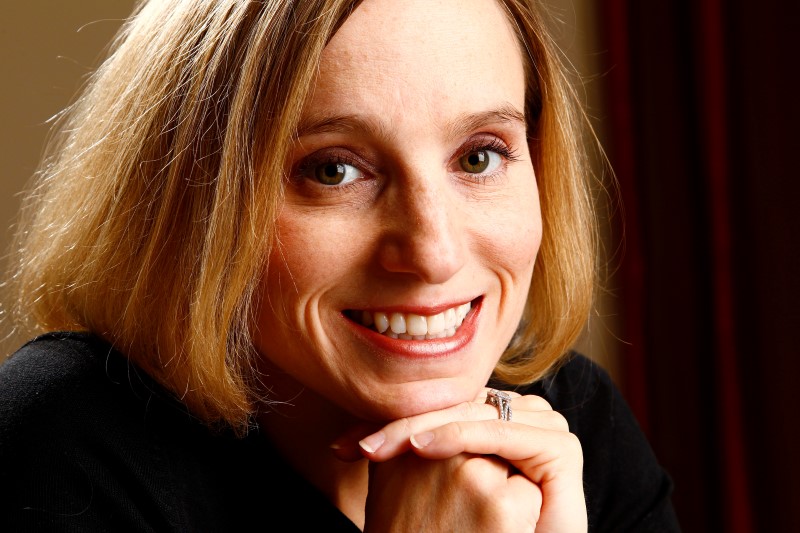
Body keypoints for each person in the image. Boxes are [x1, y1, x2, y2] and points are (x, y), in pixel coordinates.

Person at [0, 0, 680, 531]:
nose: (432, 251)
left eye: (479, 155)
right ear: (196, 203)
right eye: (334, 170)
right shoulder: (56, 450)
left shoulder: (574, 425)